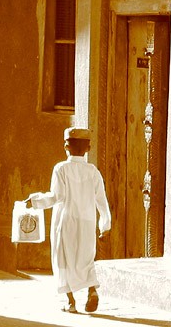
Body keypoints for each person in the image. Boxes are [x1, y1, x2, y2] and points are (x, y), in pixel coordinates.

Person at [26, 127, 111, 314]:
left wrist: (34, 201)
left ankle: (70, 301)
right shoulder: (93, 171)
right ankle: (92, 290)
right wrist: (105, 223)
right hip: (88, 222)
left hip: (66, 221)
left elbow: (57, 196)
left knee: (63, 258)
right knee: (86, 258)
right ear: (88, 148)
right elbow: (101, 199)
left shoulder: (61, 168)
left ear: (66, 146)